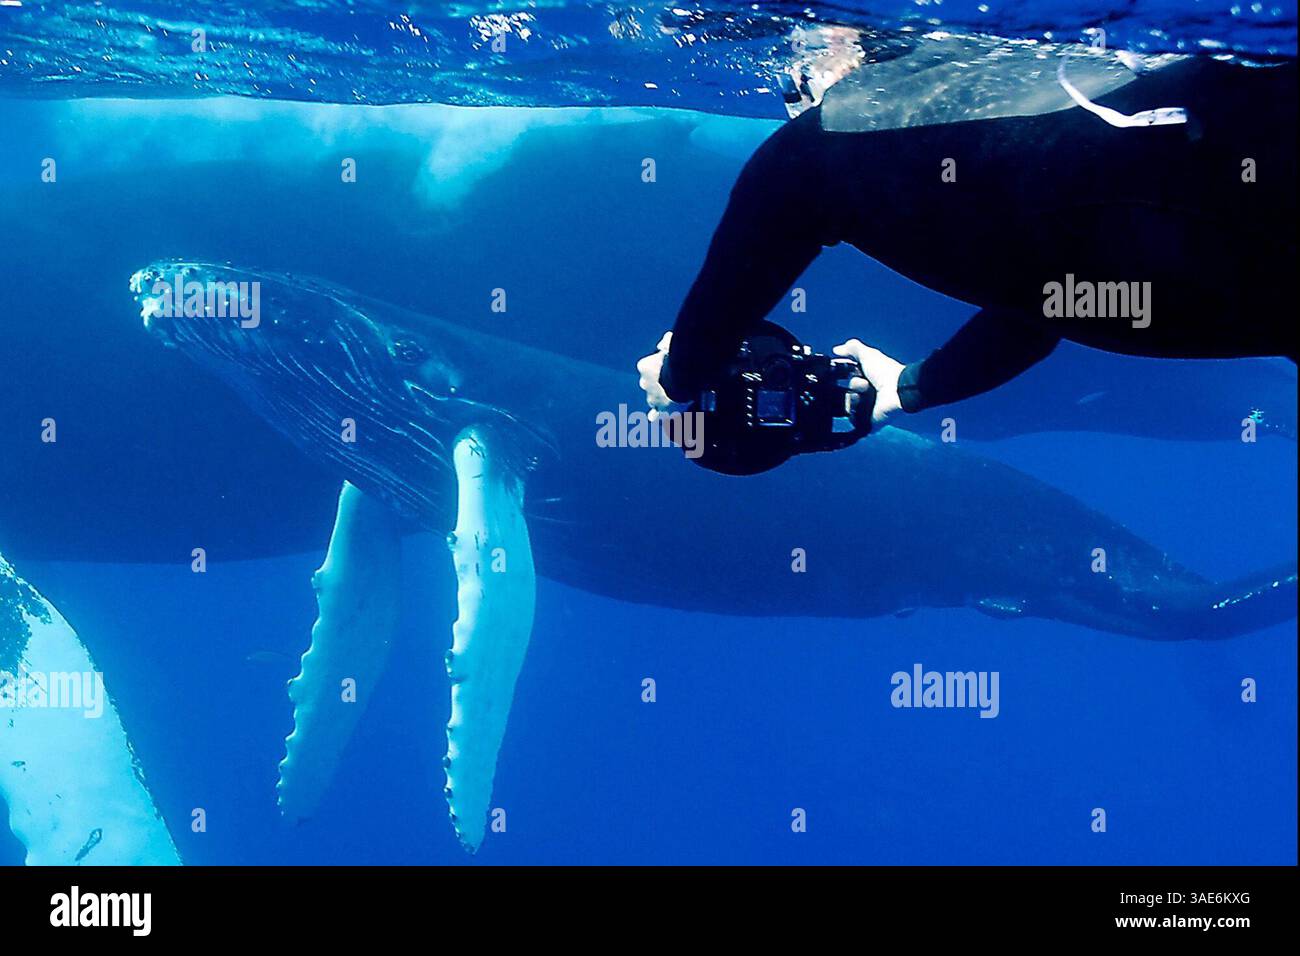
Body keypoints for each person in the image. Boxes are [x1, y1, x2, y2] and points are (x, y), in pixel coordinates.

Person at [638, 55, 1297, 430]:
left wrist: (685, 374)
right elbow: (1049, 300)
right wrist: (910, 387)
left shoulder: (837, 136)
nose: (796, 97)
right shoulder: (1044, 114)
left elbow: (790, 179)